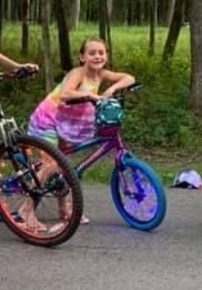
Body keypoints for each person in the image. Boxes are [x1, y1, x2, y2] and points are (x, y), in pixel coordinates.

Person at [25, 38, 136, 228]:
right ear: (82, 57)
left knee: (63, 165)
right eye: (92, 53)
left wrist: (112, 88)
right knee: (51, 164)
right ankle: (25, 212)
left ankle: (65, 209)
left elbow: (129, 78)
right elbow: (66, 94)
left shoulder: (101, 74)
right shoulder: (77, 73)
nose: (97, 56)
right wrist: (91, 95)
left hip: (67, 123)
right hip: (48, 119)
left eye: (101, 52)